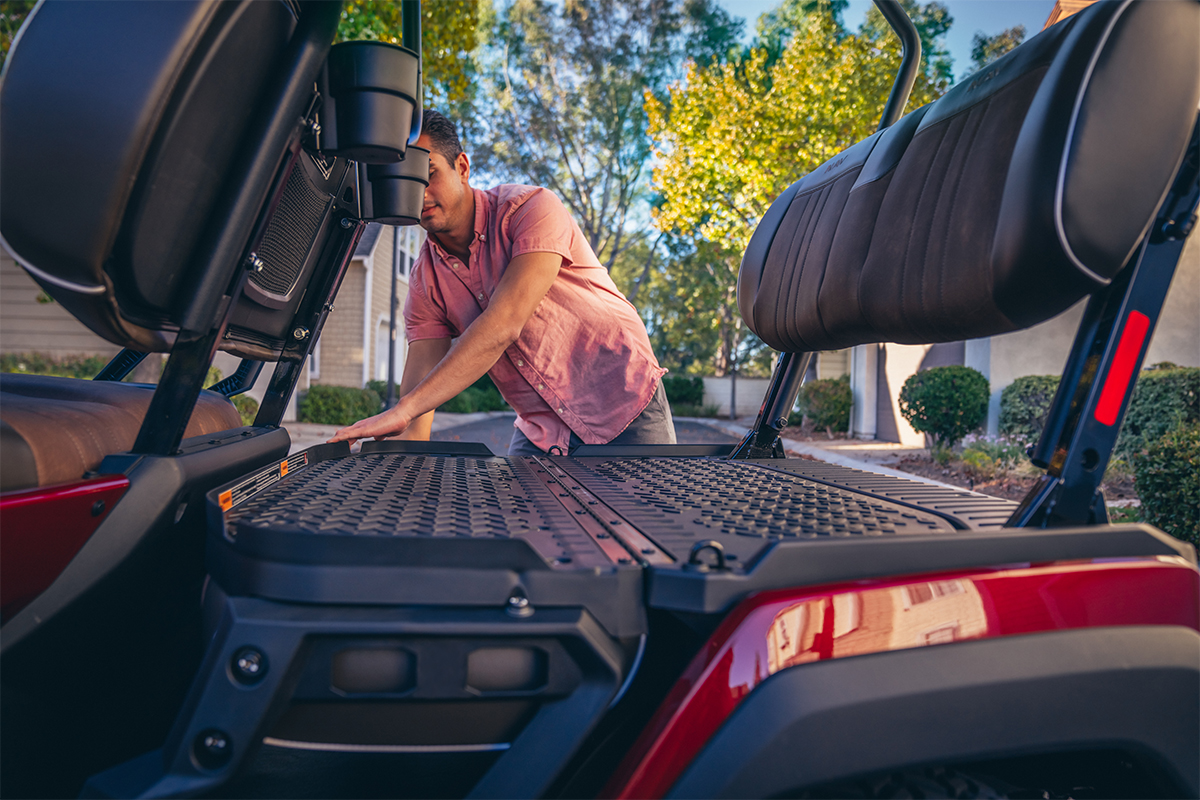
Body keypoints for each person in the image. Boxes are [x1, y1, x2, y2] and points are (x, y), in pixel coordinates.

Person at [329, 111, 675, 455]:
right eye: (405, 181)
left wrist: (404, 409)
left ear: (462, 167)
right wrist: (389, 462)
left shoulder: (531, 209)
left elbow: (505, 321)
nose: (418, 194)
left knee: (646, 497)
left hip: (624, 405)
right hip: (542, 430)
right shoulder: (425, 281)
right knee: (506, 497)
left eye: (428, 174)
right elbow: (414, 416)